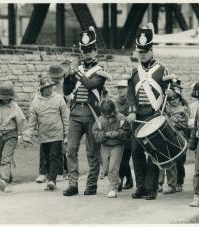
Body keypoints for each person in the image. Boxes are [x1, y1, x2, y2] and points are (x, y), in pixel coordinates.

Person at [126, 23, 175, 200]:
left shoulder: (162, 69)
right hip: (138, 117)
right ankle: (140, 187)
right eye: (140, 51)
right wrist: (131, 111)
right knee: (136, 151)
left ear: (151, 50)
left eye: (145, 51)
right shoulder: (134, 72)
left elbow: (174, 88)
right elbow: (130, 94)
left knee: (154, 153)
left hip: (154, 115)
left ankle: (151, 188)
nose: (143, 54)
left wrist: (172, 92)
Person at [62, 26, 111, 196]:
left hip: (92, 115)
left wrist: (76, 73)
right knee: (71, 150)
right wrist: (67, 76)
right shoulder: (78, 69)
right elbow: (67, 92)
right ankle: (73, 184)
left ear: (96, 51)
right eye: (84, 51)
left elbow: (91, 85)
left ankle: (91, 184)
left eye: (90, 50)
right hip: (75, 114)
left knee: (92, 152)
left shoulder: (101, 70)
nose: (87, 54)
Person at [24, 78, 69, 191]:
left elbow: (65, 117)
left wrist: (67, 133)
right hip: (43, 135)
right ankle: (49, 177)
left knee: (54, 156)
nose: (48, 90)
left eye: (50, 87)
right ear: (41, 89)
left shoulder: (59, 98)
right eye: (46, 88)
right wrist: (27, 135)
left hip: (57, 133)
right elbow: (32, 122)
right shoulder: (35, 103)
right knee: (46, 158)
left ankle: (52, 180)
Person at [92, 99, 130, 198]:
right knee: (105, 170)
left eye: (111, 114)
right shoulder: (99, 120)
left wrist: (118, 133)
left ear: (114, 110)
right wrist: (105, 134)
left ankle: (113, 189)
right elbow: (95, 134)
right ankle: (116, 180)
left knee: (113, 168)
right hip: (105, 146)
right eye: (106, 114)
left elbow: (127, 132)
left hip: (117, 146)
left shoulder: (121, 118)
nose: (109, 116)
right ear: (103, 113)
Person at [158, 80, 190, 194]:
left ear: (180, 98)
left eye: (176, 98)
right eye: (172, 99)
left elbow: (184, 123)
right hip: (168, 137)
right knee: (167, 160)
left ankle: (179, 182)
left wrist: (171, 119)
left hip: (180, 137)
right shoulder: (165, 109)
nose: (174, 101)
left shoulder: (184, 109)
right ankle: (166, 184)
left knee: (179, 161)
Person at [49, 64, 70, 182]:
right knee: (56, 145)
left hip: (64, 117)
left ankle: (64, 170)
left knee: (63, 145)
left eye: (58, 77)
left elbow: (69, 100)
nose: (56, 79)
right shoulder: (49, 86)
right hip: (52, 118)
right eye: (54, 77)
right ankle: (59, 170)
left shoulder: (65, 85)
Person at [114, 79, 134, 191]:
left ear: (128, 89)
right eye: (119, 88)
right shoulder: (115, 102)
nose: (120, 89)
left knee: (124, 157)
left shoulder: (131, 102)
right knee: (121, 158)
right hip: (118, 134)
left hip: (129, 134)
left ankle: (120, 179)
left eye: (123, 87)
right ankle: (130, 179)